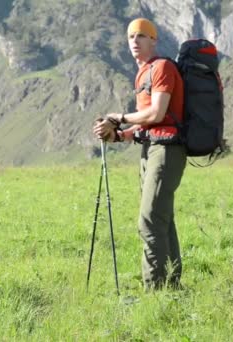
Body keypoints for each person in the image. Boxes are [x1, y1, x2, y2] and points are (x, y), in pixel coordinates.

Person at [93, 18, 186, 290]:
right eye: (131, 36)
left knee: (149, 220)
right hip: (150, 149)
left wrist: (118, 116)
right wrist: (120, 135)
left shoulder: (163, 68)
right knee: (162, 220)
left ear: (154, 40)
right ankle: (172, 285)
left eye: (142, 35)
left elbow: (157, 113)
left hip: (167, 149)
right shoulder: (142, 73)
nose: (135, 40)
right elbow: (147, 121)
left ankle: (155, 291)